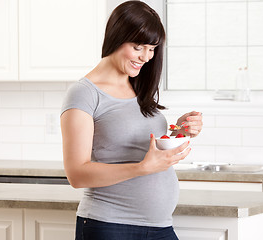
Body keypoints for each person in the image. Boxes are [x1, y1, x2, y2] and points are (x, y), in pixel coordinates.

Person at [60, 1, 203, 239]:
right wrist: (141, 169)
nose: (146, 57)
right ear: (116, 38)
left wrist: (181, 128)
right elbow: (77, 174)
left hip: (160, 227)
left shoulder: (138, 87)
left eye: (152, 49)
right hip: (109, 225)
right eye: (138, 47)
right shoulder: (84, 93)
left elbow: (142, 146)